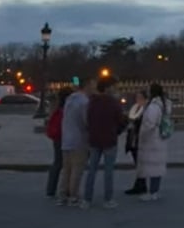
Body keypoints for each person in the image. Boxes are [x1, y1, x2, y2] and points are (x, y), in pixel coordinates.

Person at [83, 76, 126, 209]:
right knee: (108, 171)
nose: (115, 89)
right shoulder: (113, 103)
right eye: (113, 87)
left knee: (91, 170)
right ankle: (108, 199)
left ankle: (87, 199)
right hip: (109, 139)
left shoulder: (91, 102)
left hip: (94, 139)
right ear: (108, 88)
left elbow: (87, 120)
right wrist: (117, 131)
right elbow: (121, 121)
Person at [56, 77, 95, 207]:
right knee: (77, 170)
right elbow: (86, 121)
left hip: (66, 139)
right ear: (87, 86)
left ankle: (62, 195)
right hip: (79, 140)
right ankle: (73, 195)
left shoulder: (70, 99)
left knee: (66, 169)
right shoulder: (84, 102)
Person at [137, 83, 172, 201]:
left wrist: (142, 134)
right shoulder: (164, 104)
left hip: (152, 139)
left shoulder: (153, 106)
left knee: (152, 166)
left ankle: (152, 192)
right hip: (160, 138)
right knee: (157, 166)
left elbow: (150, 124)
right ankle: (154, 190)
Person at [45, 87, 73, 198]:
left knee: (57, 162)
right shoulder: (68, 108)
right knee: (68, 164)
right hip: (66, 137)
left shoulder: (57, 107)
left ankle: (51, 189)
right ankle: (67, 189)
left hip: (57, 137)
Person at [124, 90, 148, 195]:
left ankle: (140, 185)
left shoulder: (145, 110)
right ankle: (140, 184)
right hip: (133, 139)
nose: (138, 100)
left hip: (139, 139)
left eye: (141, 98)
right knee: (138, 164)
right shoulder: (136, 109)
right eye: (137, 98)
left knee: (140, 164)